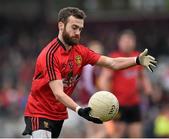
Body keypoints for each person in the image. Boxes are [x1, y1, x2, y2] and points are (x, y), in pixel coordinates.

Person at [22, 7, 157, 138]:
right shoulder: (50, 55)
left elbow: (112, 63)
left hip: (58, 113)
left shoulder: (80, 52)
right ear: (61, 25)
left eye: (80, 29)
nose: (77, 33)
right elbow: (58, 93)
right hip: (40, 112)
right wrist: (79, 110)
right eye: (74, 27)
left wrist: (137, 60)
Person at [98, 29, 154, 138]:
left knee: (136, 134)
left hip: (134, 103)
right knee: (118, 133)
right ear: (119, 42)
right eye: (125, 41)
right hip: (119, 104)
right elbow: (103, 80)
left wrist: (149, 91)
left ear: (134, 42)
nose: (128, 43)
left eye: (130, 40)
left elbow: (143, 76)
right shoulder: (114, 58)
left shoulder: (138, 57)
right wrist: (107, 98)